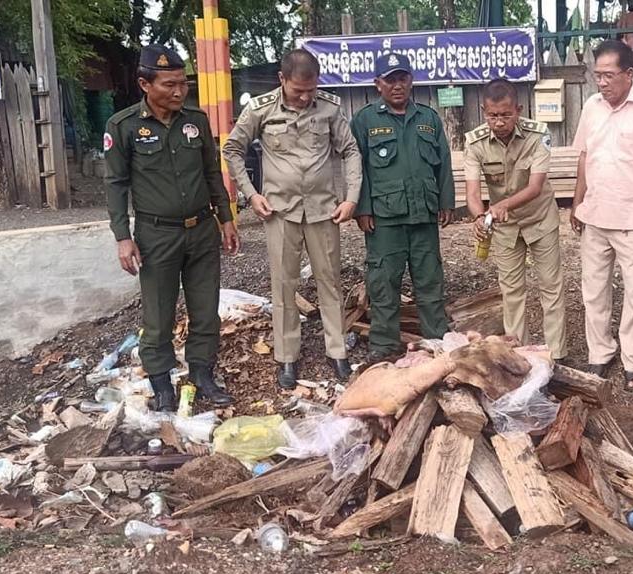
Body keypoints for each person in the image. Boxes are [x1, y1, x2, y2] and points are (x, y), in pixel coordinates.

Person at [104, 44, 239, 411]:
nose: (179, 92)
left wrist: (226, 217)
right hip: (156, 234)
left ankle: (202, 374)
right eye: (169, 85)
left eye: (183, 83)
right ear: (145, 84)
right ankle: (162, 383)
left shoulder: (196, 121)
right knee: (159, 314)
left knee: (205, 308)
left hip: (202, 230)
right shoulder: (124, 126)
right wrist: (122, 237)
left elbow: (212, 172)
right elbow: (116, 184)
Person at [222, 49, 361, 386]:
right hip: (280, 212)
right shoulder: (261, 109)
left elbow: (350, 150)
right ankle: (287, 357)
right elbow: (233, 149)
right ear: (281, 79)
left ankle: (337, 351)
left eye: (311, 89)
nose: (305, 97)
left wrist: (351, 198)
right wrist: (251, 194)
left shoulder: (329, 108)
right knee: (284, 286)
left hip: (323, 211)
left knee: (330, 282)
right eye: (298, 90)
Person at [571, 39, 633, 397]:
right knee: (594, 291)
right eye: (597, 75)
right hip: (595, 215)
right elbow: (585, 156)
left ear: (629, 74)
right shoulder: (591, 107)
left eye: (608, 75)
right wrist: (577, 201)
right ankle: (600, 353)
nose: (601, 82)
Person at [351, 53, 454, 359]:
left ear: (411, 81)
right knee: (384, 284)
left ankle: (437, 342)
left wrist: (446, 201)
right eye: (390, 80)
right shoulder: (365, 120)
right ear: (377, 84)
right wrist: (361, 208)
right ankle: (383, 347)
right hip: (384, 219)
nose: (397, 85)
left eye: (402, 78)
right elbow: (356, 168)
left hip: (424, 215)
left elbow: (443, 164)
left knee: (430, 281)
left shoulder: (429, 118)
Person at [463, 78, 567, 361]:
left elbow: (535, 187)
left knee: (550, 287)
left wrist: (502, 205)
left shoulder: (538, 135)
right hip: (505, 226)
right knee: (511, 291)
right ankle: (518, 356)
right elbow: (472, 192)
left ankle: (556, 355)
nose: (499, 122)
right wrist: (479, 216)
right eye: (493, 115)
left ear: (518, 110)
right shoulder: (475, 142)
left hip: (540, 219)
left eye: (506, 115)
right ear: (484, 112)